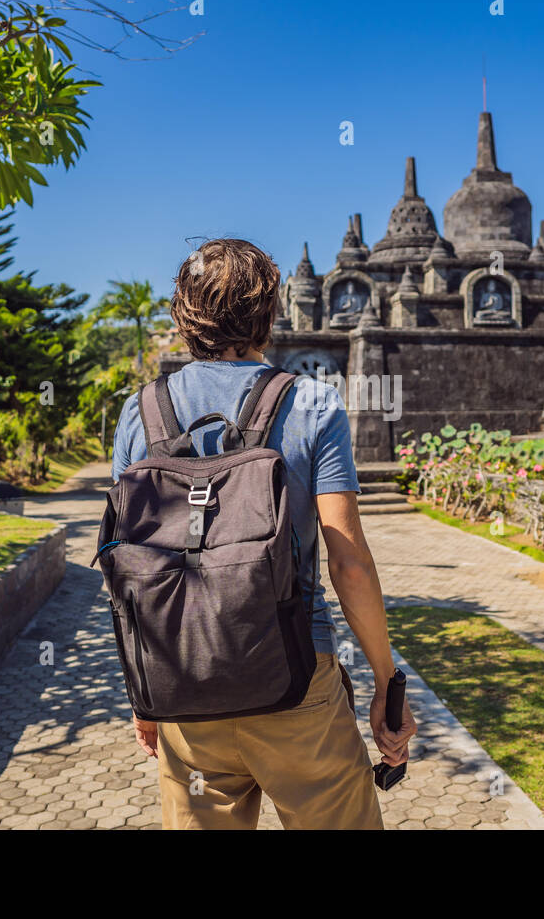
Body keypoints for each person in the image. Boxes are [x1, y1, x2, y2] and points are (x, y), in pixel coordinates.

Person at [109, 237, 416, 829]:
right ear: (270, 312)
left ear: (182, 316)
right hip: (298, 685)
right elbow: (348, 561)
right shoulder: (312, 405)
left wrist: (142, 693)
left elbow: (127, 569)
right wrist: (385, 679)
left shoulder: (139, 412)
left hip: (183, 685)